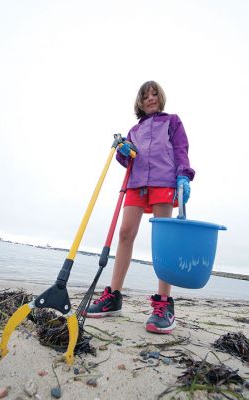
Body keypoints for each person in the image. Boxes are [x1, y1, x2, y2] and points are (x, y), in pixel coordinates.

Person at [86, 81, 195, 334]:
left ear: (161, 97)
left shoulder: (172, 121)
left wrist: (184, 176)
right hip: (136, 184)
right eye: (145, 95)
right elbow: (129, 159)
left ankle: (164, 305)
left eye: (154, 94)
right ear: (140, 101)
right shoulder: (134, 130)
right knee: (125, 233)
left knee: (163, 240)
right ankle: (113, 297)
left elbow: (181, 150)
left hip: (164, 181)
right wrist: (123, 152)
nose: (150, 98)